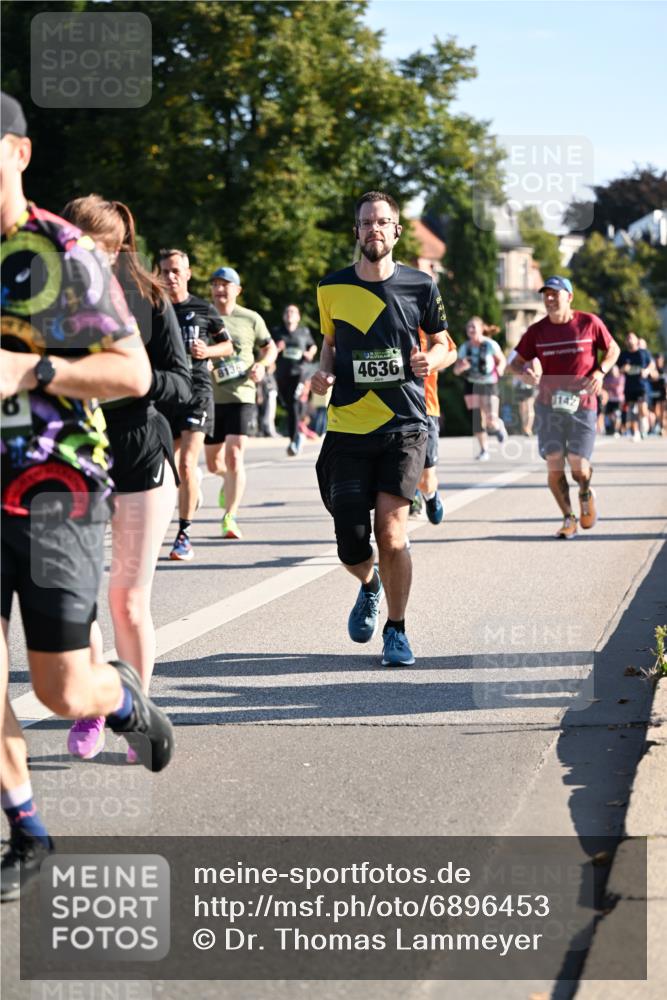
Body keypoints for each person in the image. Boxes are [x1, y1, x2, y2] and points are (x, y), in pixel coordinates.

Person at [0, 93, 173, 900]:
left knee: (59, 689)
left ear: (20, 153)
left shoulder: (62, 251)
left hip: (55, 488)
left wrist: (32, 371)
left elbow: (134, 373)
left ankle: (122, 690)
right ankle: (27, 829)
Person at [60, 195, 191, 762]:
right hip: (73, 460)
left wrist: (130, 381)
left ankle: (137, 713)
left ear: (114, 251)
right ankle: (95, 705)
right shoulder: (46, 300)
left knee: (128, 602)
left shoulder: (150, 297)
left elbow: (182, 386)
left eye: (86, 246)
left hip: (138, 456)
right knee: (77, 600)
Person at [313, 190, 452, 666]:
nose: (375, 228)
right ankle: (369, 584)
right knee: (351, 539)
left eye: (383, 222)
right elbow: (330, 343)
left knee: (391, 532)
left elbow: (445, 344)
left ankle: (397, 629)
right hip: (349, 426)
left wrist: (428, 360)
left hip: (405, 423)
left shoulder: (420, 286)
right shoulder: (331, 288)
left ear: (396, 231)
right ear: (357, 232)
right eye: (367, 222)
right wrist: (323, 371)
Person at [507, 275, 620, 539]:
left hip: (583, 404)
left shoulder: (589, 323)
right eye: (545, 294)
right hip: (549, 405)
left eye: (554, 294)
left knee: (579, 466)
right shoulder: (537, 331)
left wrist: (601, 372)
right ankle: (568, 517)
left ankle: (585, 491)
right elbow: (515, 362)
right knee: (555, 463)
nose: (549, 299)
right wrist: (525, 373)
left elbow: (613, 349)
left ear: (569, 296)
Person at [157, 249, 231, 560]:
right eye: (164, 271)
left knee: (187, 463)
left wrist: (207, 351)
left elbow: (227, 345)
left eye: (176, 270)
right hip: (164, 395)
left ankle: (183, 534)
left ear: (187, 274)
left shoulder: (203, 309)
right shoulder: (153, 310)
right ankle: (191, 488)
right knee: (165, 469)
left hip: (196, 393)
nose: (170, 276)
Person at [205, 267, 277, 539]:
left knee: (235, 455)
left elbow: (270, 347)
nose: (220, 289)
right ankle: (226, 480)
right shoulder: (203, 315)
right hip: (211, 397)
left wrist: (262, 365)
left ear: (237, 290)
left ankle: (230, 516)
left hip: (241, 394)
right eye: (215, 284)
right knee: (213, 465)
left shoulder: (250, 318)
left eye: (225, 285)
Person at [410, 326, 456, 524]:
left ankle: (429, 493)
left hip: (426, 407)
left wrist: (432, 362)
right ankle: (411, 497)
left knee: (426, 478)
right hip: (395, 408)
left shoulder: (426, 319)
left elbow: (452, 352)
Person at [453, 317, 507, 460]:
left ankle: (498, 426)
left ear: (481, 328)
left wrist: (501, 368)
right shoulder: (465, 348)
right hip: (471, 384)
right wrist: (461, 368)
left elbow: (501, 360)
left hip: (489, 383)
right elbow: (456, 370)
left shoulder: (490, 345)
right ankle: (484, 450)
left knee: (491, 419)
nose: (471, 330)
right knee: (476, 419)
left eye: (474, 327)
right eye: (468, 327)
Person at [273, 304, 318, 455]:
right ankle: (298, 433)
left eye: (293, 311)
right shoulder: (277, 332)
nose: (289, 314)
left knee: (293, 402)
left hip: (300, 373)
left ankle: (294, 439)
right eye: (287, 311)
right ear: (283, 316)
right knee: (288, 405)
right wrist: (276, 348)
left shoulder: (303, 332)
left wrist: (310, 353)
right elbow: (268, 348)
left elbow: (313, 346)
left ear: (298, 317)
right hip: (282, 374)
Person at [618, 331, 652, 441]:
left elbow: (651, 365)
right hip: (629, 386)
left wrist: (646, 371)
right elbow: (619, 370)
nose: (629, 340)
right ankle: (636, 432)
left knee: (642, 409)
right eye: (627, 338)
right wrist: (624, 369)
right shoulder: (623, 355)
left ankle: (645, 421)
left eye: (631, 338)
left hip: (642, 386)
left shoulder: (643, 353)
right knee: (632, 411)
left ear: (637, 340)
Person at [602, 364, 625, 437]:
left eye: (614, 370)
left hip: (618, 400)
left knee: (617, 414)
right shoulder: (607, 378)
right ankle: (610, 429)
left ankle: (616, 430)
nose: (613, 372)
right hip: (609, 399)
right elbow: (604, 386)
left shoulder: (621, 377)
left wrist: (610, 386)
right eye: (612, 370)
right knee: (609, 415)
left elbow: (618, 387)